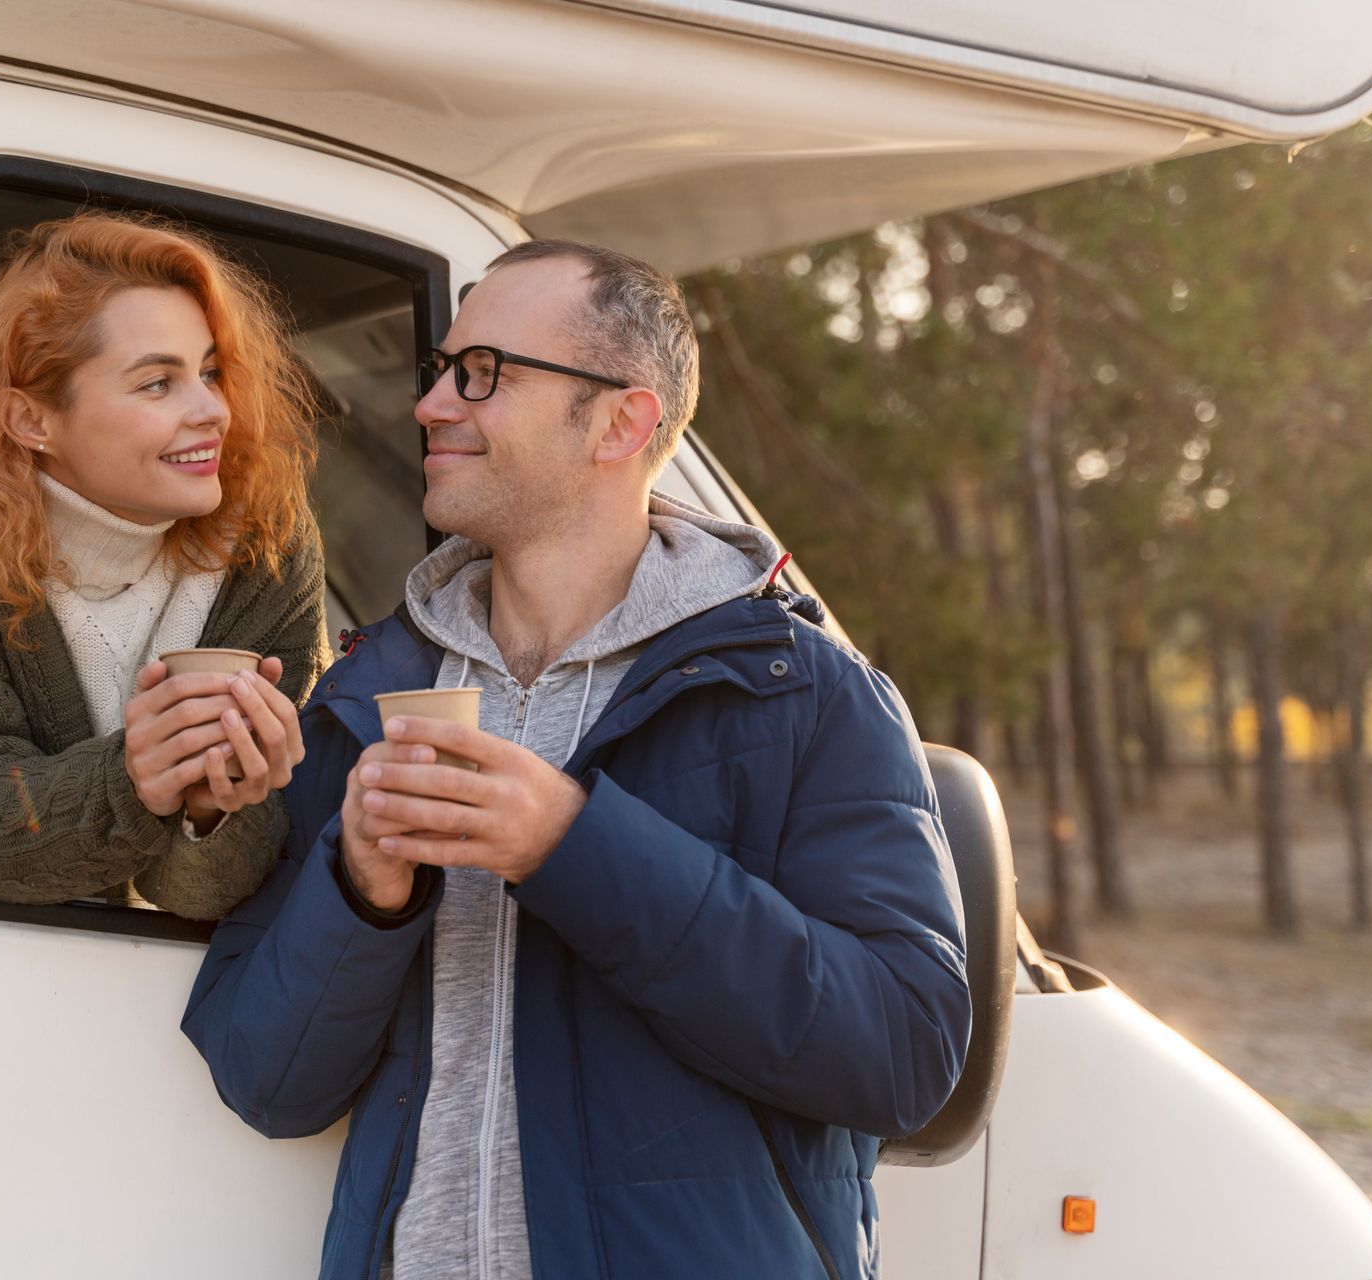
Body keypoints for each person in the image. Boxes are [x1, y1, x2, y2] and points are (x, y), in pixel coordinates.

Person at [182, 239, 969, 1278]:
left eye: (486, 374)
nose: (432, 405)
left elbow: (906, 1053)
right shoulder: (366, 690)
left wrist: (574, 843)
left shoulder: (807, 694)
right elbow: (264, 1078)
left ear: (621, 421)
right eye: (441, 371)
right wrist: (361, 891)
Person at [0, 211, 325, 919]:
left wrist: (211, 811)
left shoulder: (270, 541)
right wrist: (133, 776)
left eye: (211, 371)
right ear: (31, 421)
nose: (215, 411)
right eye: (157, 384)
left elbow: (212, 893)